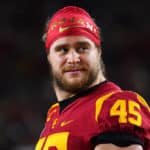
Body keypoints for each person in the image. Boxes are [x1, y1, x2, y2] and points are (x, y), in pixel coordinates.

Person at [35, 5, 150, 150]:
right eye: (62, 49)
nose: (73, 58)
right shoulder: (54, 114)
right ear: (49, 56)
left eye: (82, 48)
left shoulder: (116, 105)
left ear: (98, 51)